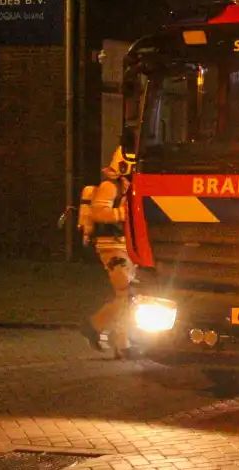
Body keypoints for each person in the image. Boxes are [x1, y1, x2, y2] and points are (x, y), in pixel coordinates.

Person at [78, 148, 137, 358]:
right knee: (126, 293)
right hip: (110, 245)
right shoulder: (109, 186)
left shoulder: (127, 185)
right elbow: (99, 212)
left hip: (124, 244)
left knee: (126, 297)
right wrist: (125, 214)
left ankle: (119, 342)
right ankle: (99, 329)